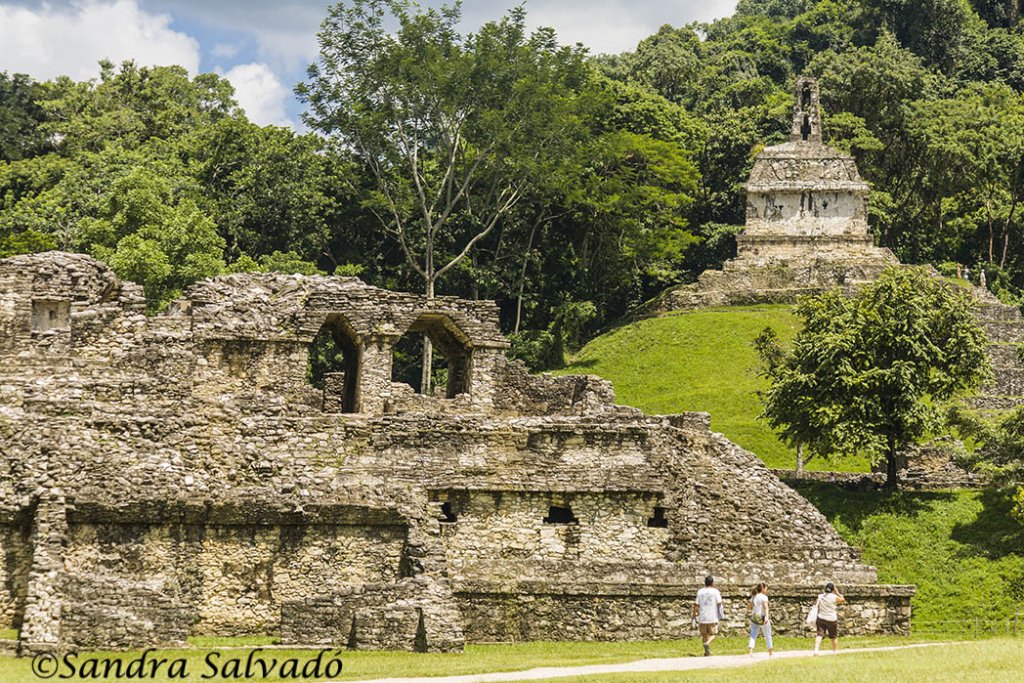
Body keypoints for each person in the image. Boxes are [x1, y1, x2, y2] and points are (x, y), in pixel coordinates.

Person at [691, 575, 723, 656]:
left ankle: (706, 652)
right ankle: (707, 643)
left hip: (702, 616)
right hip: (712, 616)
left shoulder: (700, 591)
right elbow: (719, 603)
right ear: (712, 583)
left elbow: (696, 605)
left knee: (704, 635)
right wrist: (720, 614)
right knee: (714, 634)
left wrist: (694, 615)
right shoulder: (715, 591)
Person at [813, 582, 845, 654]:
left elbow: (816, 605)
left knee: (819, 635)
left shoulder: (820, 596)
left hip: (821, 617)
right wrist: (837, 592)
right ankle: (835, 651)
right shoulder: (834, 597)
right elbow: (843, 599)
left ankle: (816, 650)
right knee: (833, 636)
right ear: (832, 590)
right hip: (831, 618)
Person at [747, 583, 773, 657]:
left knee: (753, 635)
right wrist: (767, 617)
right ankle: (770, 652)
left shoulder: (754, 596)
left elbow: (749, 607)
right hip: (762, 618)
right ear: (763, 589)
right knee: (767, 635)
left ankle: (750, 652)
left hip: (755, 618)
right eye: (766, 588)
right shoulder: (764, 597)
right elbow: (765, 607)